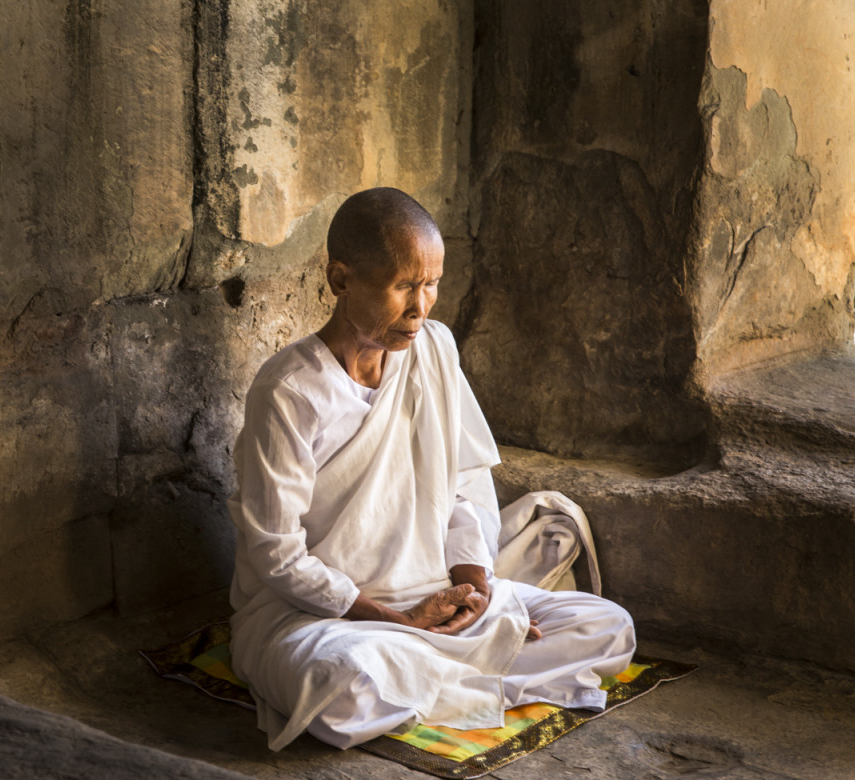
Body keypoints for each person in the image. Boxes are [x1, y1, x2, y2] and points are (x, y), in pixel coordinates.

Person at [226, 187, 635, 751]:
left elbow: (466, 480)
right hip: (325, 619)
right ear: (340, 280)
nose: (421, 308)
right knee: (339, 689)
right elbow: (277, 553)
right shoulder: (290, 391)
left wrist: (472, 588)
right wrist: (396, 620)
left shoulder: (434, 349)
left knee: (608, 628)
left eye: (431, 284)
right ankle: (466, 672)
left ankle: (441, 670)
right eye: (402, 287)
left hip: (435, 596)